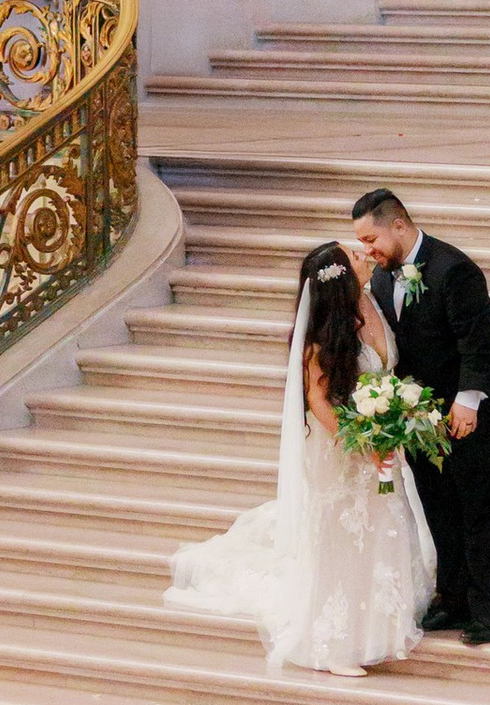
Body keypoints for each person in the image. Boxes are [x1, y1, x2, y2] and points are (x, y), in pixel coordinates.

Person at [165, 234, 436, 673]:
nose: (364, 253)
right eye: (354, 254)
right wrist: (361, 442)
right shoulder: (321, 340)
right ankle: (334, 644)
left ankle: (384, 623)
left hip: (378, 447)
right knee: (345, 538)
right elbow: (320, 401)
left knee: (387, 523)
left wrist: (393, 425)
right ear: (341, 278)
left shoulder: (373, 303)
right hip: (343, 451)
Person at [350, 186, 490, 643]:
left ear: (399, 226)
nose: (368, 250)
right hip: (420, 414)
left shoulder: (454, 269)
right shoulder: (384, 276)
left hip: (472, 408)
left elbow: (477, 340)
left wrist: (468, 400)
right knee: (439, 505)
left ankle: (487, 611)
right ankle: (454, 598)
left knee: (479, 507)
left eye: (371, 239)